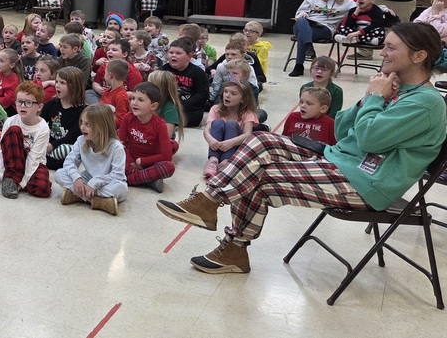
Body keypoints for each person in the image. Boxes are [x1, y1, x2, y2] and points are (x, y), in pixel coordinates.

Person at [157, 22, 447, 274]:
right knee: (260, 139)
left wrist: (373, 99)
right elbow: (342, 129)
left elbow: (370, 140)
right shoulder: (392, 87)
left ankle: (230, 239)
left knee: (260, 178)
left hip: (367, 183)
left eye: (391, 48)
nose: (382, 53)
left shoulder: (425, 102)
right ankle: (211, 205)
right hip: (340, 160)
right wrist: (365, 101)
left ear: (418, 56)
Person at [56, 104, 128, 215]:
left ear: (103, 126)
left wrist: (95, 182)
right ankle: (100, 201)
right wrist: (76, 178)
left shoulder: (116, 147)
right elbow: (69, 162)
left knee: (121, 189)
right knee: (59, 174)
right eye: (82, 122)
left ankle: (77, 195)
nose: (82, 127)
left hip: (107, 182)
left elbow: (117, 175)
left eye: (88, 124)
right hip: (88, 179)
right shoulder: (81, 140)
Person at [288, 0, 356, 77]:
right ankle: (308, 47)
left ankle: (299, 65)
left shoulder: (347, 2)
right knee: (302, 22)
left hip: (325, 29)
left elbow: (366, 6)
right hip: (305, 24)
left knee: (303, 35)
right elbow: (299, 12)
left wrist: (384, 9)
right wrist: (302, 14)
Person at [119, 82, 176, 193]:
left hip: (150, 162)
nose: (134, 103)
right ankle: (149, 180)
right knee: (111, 156)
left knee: (169, 167)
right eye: (133, 98)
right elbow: (120, 144)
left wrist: (142, 161)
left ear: (153, 106)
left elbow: (166, 156)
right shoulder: (127, 118)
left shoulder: (160, 124)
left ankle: (128, 179)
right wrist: (131, 161)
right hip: (129, 161)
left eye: (140, 100)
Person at [0, 81, 51, 199]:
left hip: (33, 161)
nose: (22, 106)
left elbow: (34, 158)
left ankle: (17, 179)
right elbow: (1, 151)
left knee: (42, 188)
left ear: (39, 107)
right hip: (13, 160)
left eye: (28, 102)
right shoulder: (10, 121)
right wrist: (3, 176)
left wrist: (22, 184)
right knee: (14, 130)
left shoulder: (43, 128)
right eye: (19, 101)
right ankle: (11, 177)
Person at [202, 82, 259, 179]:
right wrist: (210, 140)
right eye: (225, 92)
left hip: (235, 148)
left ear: (243, 99)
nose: (227, 96)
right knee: (217, 123)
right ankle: (213, 160)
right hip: (218, 146)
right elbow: (207, 130)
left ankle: (226, 161)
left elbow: (247, 134)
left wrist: (231, 142)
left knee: (231, 123)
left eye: (233, 94)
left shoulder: (248, 113)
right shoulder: (216, 109)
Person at [41, 66, 88, 171]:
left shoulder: (83, 110)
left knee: (66, 150)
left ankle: (45, 161)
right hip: (48, 145)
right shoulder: (52, 103)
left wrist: (52, 145)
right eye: (56, 82)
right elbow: (40, 122)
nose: (57, 85)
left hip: (66, 147)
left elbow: (72, 137)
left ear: (74, 86)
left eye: (62, 83)